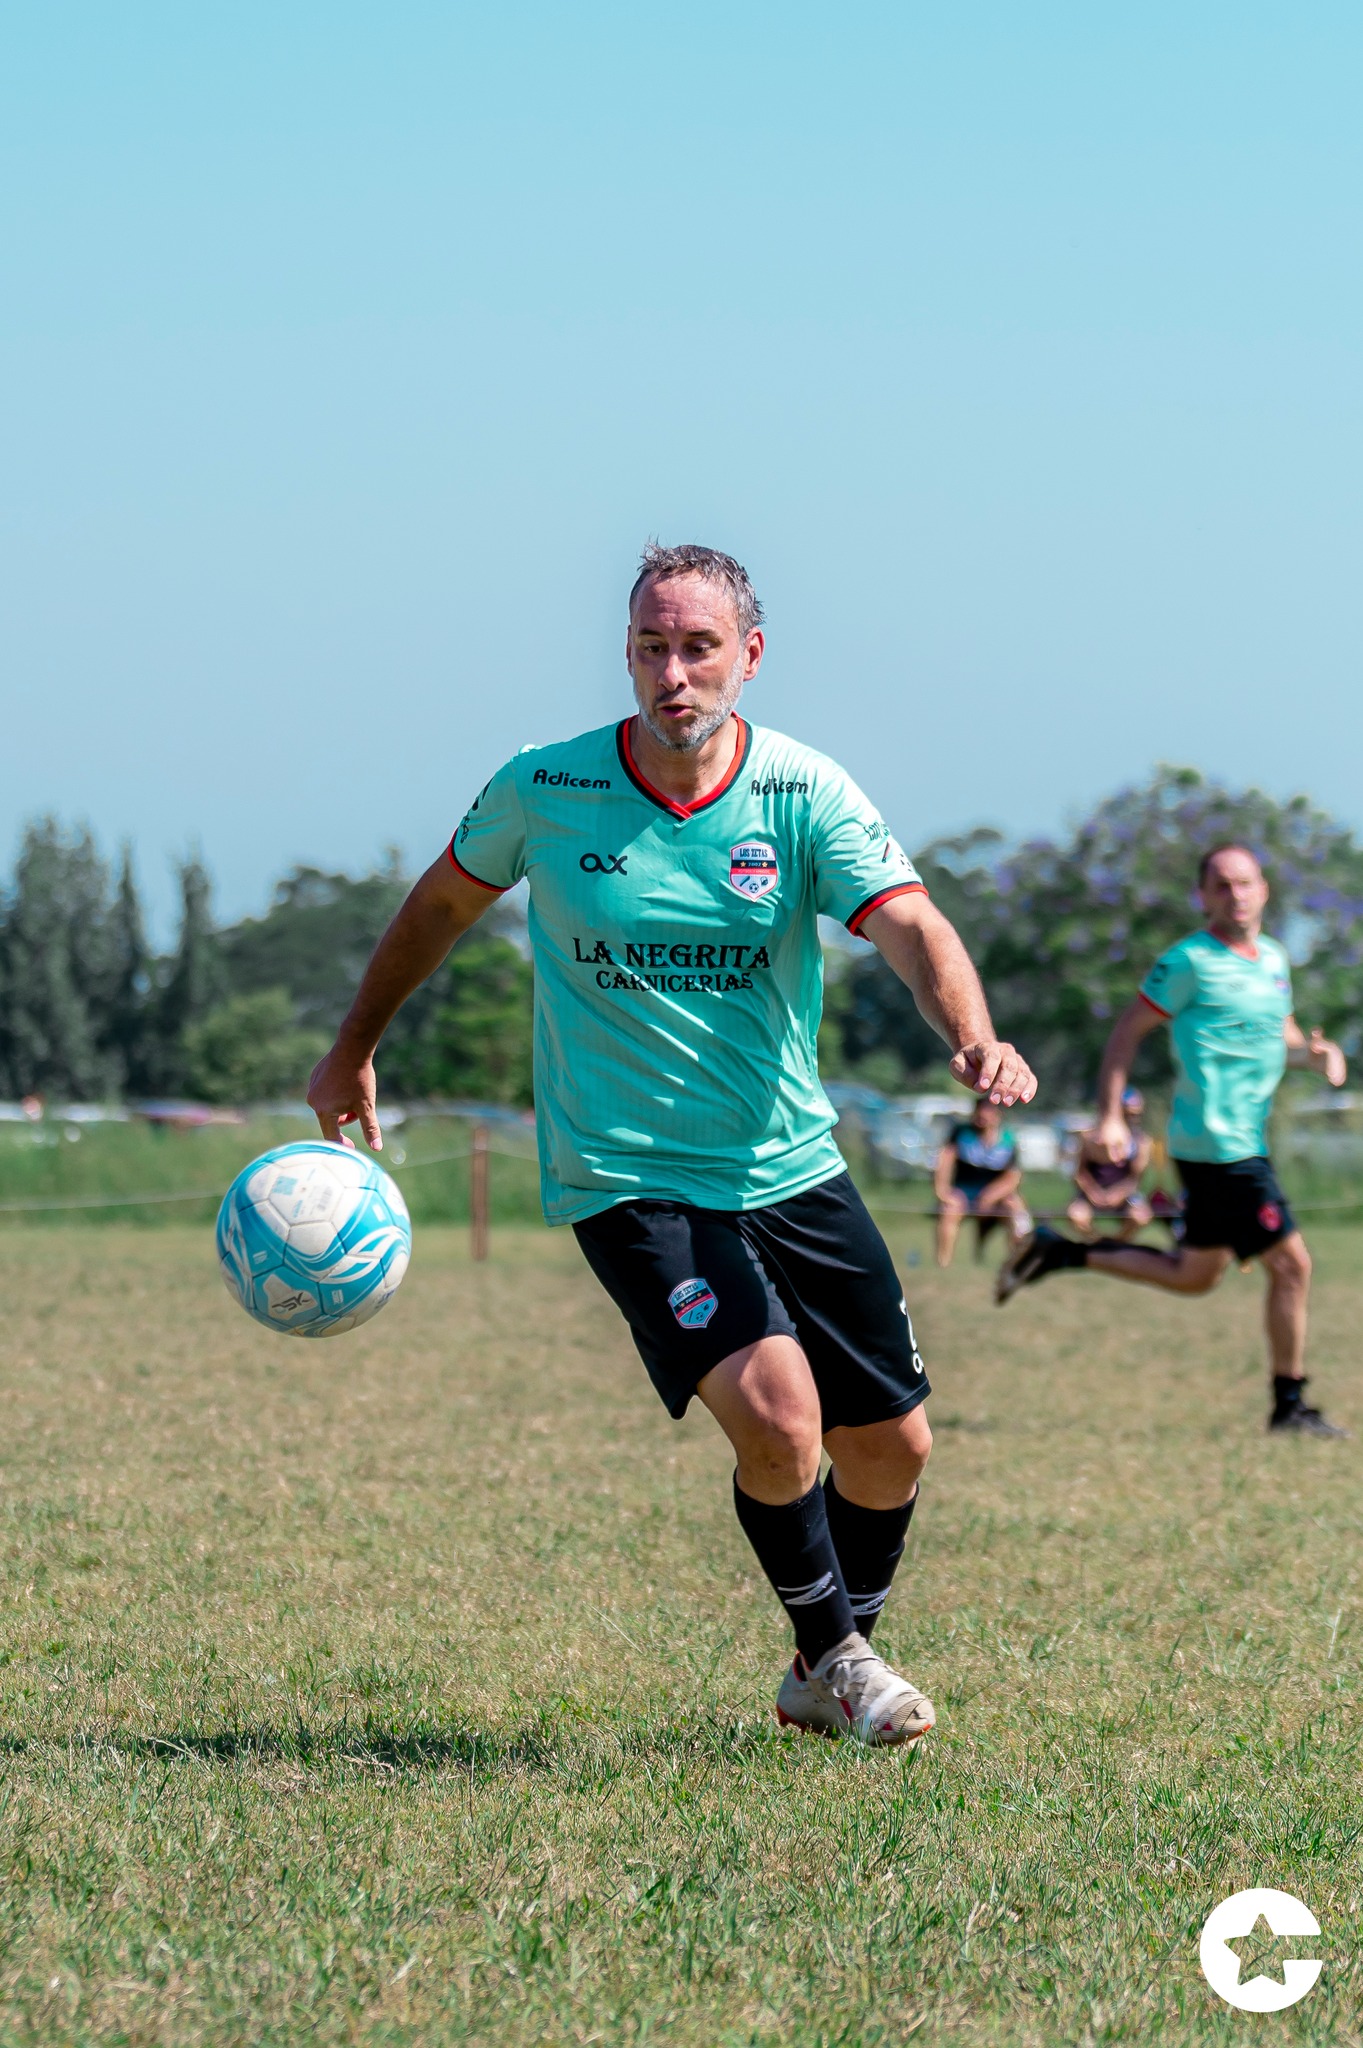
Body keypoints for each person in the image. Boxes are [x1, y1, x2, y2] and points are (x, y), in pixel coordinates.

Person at [308, 542, 1037, 1745]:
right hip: (626, 1171)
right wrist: (354, 1045)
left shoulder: (802, 791)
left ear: (750, 655)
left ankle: (819, 1661)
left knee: (892, 1446)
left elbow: (910, 924)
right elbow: (438, 904)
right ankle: (846, 1659)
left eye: (699, 647)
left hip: (788, 1161)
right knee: (781, 1418)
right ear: (628, 654)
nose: (673, 672)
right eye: (652, 647)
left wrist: (972, 1032)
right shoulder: (545, 787)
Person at [996, 845, 1348, 1437]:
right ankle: (1289, 1406)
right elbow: (1125, 1034)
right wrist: (1110, 1116)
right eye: (1222, 885)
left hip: (1240, 1141)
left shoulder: (1274, 959)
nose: (1235, 895)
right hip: (1219, 1142)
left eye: (1245, 883)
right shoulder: (1189, 961)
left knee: (1196, 1275)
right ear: (1203, 896)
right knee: (1292, 1266)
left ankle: (1060, 1253)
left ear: (1264, 889)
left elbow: (1281, 1034)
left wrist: (1314, 1055)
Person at [933, 1098, 1029, 1266]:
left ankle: (1018, 1262)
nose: (982, 1115)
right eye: (979, 1110)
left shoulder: (1008, 1138)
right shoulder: (962, 1133)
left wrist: (991, 1196)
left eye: (988, 1111)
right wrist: (943, 1191)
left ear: (998, 1115)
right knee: (950, 1208)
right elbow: (945, 1160)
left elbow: (1013, 1176)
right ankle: (943, 1262)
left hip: (996, 1194)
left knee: (1015, 1208)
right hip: (964, 1190)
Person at [1066, 1087, 1153, 1241]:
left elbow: (1135, 1178)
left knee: (1140, 1216)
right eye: (1128, 1114)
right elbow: (1080, 1173)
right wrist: (1093, 1193)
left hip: (1125, 1194)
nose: (1132, 1119)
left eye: (1136, 1115)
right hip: (1091, 1192)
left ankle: (1118, 1243)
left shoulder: (1141, 1142)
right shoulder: (1090, 1137)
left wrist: (1117, 1194)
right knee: (1076, 1215)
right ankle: (1097, 1242)